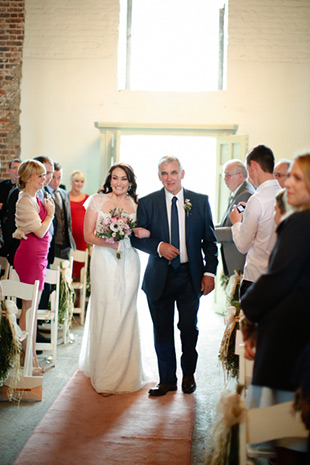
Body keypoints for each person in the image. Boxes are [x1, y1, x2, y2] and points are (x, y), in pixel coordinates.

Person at [240, 153, 310, 465]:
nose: (288, 183)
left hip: (290, 338)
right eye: (288, 176)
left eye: (297, 178)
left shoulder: (299, 223)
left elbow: (278, 279)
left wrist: (247, 310)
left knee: (286, 438)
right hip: (296, 332)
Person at [131, 156, 218, 397]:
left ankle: (188, 375)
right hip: (159, 277)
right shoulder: (147, 202)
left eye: (173, 172)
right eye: (164, 173)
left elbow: (210, 243)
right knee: (162, 330)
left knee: (189, 328)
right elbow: (137, 237)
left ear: (182, 173)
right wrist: (159, 247)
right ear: (159, 176)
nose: (169, 177)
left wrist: (209, 273)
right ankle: (167, 379)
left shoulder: (199, 201)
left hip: (190, 277)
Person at [79, 163, 150, 395]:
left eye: (124, 179)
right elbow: (88, 235)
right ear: (109, 179)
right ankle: (105, 371)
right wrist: (110, 241)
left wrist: (143, 233)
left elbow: (141, 232)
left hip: (129, 259)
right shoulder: (97, 201)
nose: (119, 183)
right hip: (104, 260)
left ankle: (127, 370)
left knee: (127, 310)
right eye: (115, 178)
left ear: (130, 182)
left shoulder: (136, 204)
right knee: (107, 308)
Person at [13, 160, 55, 372]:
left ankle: (29, 359)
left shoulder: (35, 197)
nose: (44, 179)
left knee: (32, 309)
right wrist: (50, 214)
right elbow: (39, 231)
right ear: (28, 178)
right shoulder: (25, 201)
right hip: (30, 258)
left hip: (39, 256)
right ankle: (27, 359)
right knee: (28, 309)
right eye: (39, 176)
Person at [230, 145, 280, 296]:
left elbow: (243, 246)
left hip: (256, 279)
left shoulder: (257, 200)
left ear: (254, 166)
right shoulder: (284, 195)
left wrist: (237, 223)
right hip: (279, 279)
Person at [215, 160, 255, 277]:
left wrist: (207, 233)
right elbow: (226, 224)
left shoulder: (245, 195)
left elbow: (237, 229)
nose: (225, 179)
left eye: (228, 175)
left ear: (241, 175)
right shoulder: (237, 193)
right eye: (224, 175)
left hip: (239, 260)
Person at [47, 162, 76, 260]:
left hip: (66, 244)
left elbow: (68, 219)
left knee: (64, 273)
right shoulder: (43, 193)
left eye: (59, 177)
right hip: (52, 243)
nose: (56, 181)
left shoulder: (64, 193)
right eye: (53, 177)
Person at [69, 169, 89, 279]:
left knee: (81, 271)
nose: (79, 184)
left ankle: (79, 296)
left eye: (82, 181)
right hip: (69, 240)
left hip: (82, 241)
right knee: (68, 270)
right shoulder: (65, 197)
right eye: (77, 181)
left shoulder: (87, 199)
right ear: (72, 182)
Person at [0, 158, 22, 256]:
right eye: (14, 168)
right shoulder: (2, 185)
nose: (17, 171)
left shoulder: (24, 189)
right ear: (8, 170)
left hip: (16, 229)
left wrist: (3, 206)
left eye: (19, 168)